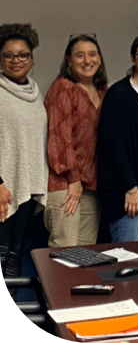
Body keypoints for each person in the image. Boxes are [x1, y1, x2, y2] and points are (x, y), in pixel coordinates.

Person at [44, 34, 108, 248]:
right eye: (79, 55)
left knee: (85, 253)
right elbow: (58, 138)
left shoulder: (103, 90)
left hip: (90, 185)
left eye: (92, 54)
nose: (87, 60)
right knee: (66, 251)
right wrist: (73, 180)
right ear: (68, 60)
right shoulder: (62, 87)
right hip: (65, 184)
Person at [97, 34, 138, 242]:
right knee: (127, 251)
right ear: (133, 59)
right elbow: (113, 145)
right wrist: (130, 187)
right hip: (128, 185)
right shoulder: (118, 95)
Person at [0, 24, 47, 297]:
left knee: (15, 253)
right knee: (2, 253)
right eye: (8, 55)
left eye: (22, 55)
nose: (16, 60)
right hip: (4, 188)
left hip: (27, 186)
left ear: (31, 59)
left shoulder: (34, 92)